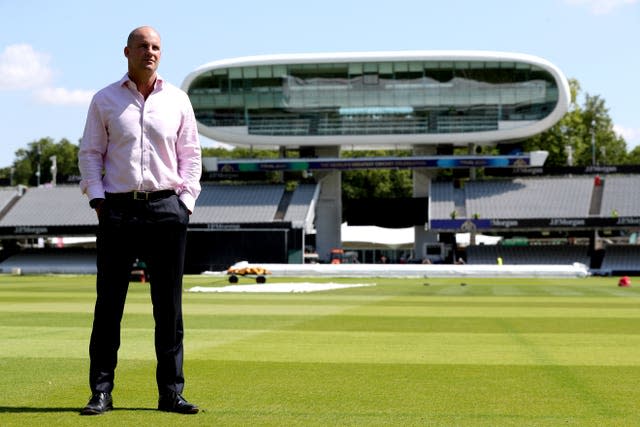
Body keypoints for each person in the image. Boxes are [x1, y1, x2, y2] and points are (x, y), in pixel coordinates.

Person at [78, 26, 202, 416]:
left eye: (156, 47)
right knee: (109, 306)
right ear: (127, 51)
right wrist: (98, 200)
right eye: (143, 46)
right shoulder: (104, 100)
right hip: (118, 210)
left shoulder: (178, 100)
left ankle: (171, 394)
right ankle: (101, 392)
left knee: (169, 309)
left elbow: (191, 155)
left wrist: (186, 203)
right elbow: (90, 153)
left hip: (167, 209)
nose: (150, 52)